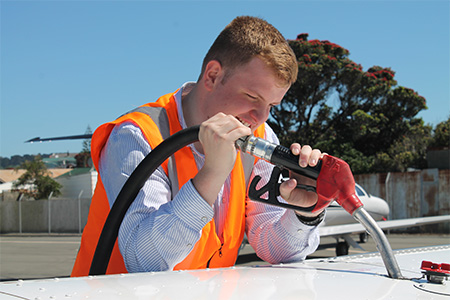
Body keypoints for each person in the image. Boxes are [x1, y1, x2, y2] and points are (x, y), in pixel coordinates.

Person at [71, 15, 328, 277]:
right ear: (213, 75)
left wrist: (304, 213)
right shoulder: (137, 135)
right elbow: (144, 260)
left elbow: (272, 248)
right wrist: (212, 174)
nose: (259, 118)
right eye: (252, 97)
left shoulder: (261, 136)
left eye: (271, 106)